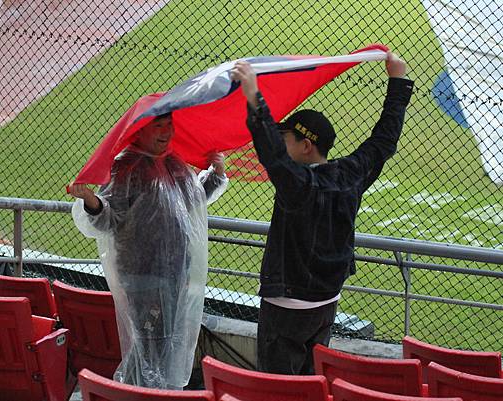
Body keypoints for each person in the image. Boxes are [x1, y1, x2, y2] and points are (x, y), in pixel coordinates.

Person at [230, 51, 413, 375]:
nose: (282, 142)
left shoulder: (299, 184)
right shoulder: (351, 175)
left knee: (278, 389)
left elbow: (272, 155)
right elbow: (383, 141)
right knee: (310, 383)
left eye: (287, 136)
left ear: (306, 146)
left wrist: (253, 96)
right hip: (327, 302)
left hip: (285, 306)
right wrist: (398, 82)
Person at [67, 113, 228, 389]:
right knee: (150, 346)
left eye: (169, 125)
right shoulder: (127, 168)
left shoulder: (173, 162)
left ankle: (151, 392)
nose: (166, 132)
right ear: (140, 131)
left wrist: (217, 174)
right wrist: (91, 200)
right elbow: (108, 219)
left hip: (176, 273)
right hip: (142, 277)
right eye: (158, 126)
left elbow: (192, 198)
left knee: (163, 345)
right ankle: (139, 392)